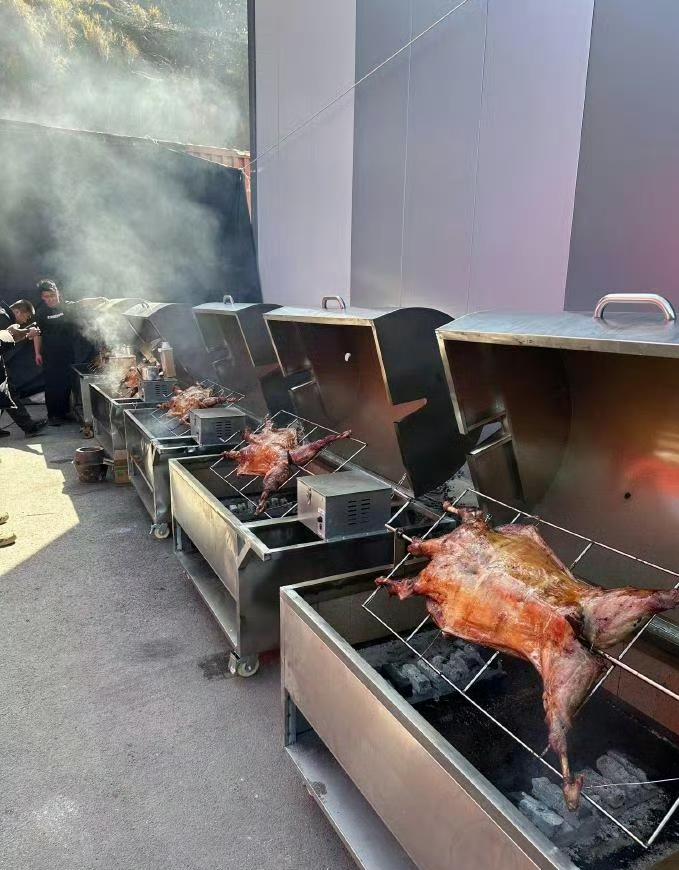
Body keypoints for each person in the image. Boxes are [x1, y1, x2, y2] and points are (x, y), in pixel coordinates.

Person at [33, 280, 106, 426]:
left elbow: (81, 303)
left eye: (52, 295)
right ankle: (53, 415)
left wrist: (99, 299)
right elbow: (37, 334)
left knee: (66, 382)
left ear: (58, 293)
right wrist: (37, 353)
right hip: (50, 354)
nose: (50, 299)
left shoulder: (66, 306)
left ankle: (64, 412)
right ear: (42, 297)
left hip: (67, 353)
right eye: (47, 296)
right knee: (53, 384)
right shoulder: (41, 312)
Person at [0, 303, 46, 438]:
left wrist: (25, 333)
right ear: (17, 312)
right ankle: (29, 427)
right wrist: (27, 332)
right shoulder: (4, 317)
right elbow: (6, 339)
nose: (26, 320)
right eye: (27, 316)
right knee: (7, 391)